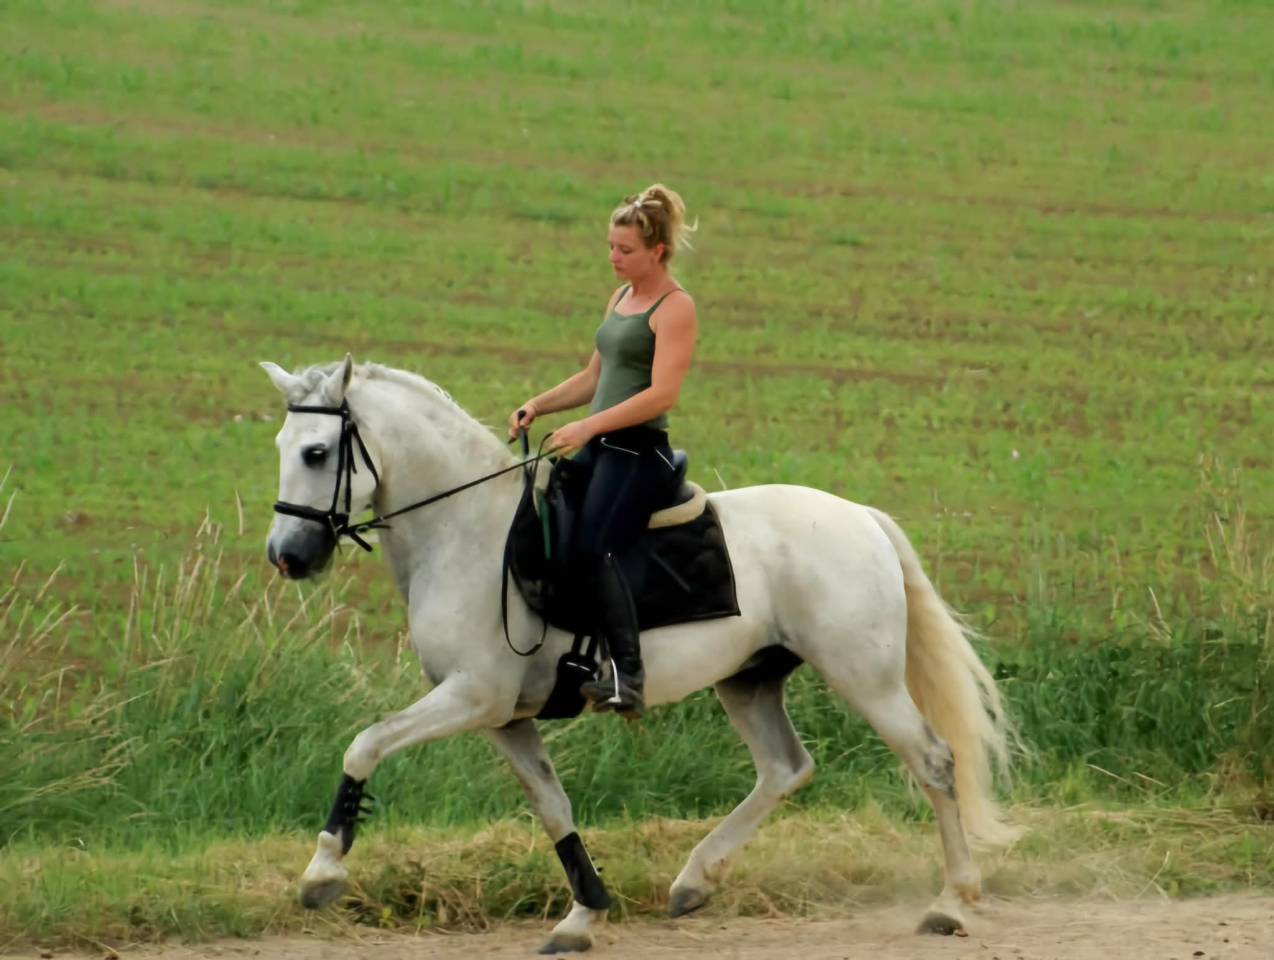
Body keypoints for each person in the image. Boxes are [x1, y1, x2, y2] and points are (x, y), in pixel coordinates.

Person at [507, 184, 699, 716]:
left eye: (626, 250)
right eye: (611, 247)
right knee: (553, 525)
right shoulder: (619, 298)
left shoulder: (675, 308)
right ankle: (567, 656)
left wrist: (588, 428)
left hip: (640, 451)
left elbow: (662, 395)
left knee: (596, 545)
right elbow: (594, 378)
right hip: (602, 444)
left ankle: (628, 675)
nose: (614, 257)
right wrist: (538, 405)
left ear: (657, 250)